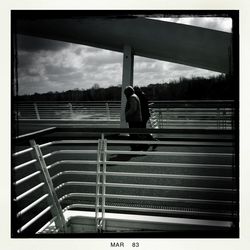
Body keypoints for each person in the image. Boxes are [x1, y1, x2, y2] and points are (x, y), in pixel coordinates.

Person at [134, 86, 158, 150]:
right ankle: (148, 143)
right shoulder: (143, 95)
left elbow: (140, 106)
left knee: (142, 130)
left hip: (142, 115)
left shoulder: (139, 96)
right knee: (142, 129)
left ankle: (151, 142)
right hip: (145, 115)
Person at [124, 86, 143, 151]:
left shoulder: (132, 97)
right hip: (135, 119)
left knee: (133, 134)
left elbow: (133, 108)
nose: (125, 95)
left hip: (134, 119)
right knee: (135, 133)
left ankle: (136, 146)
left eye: (126, 93)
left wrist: (127, 113)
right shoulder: (134, 96)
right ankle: (138, 146)